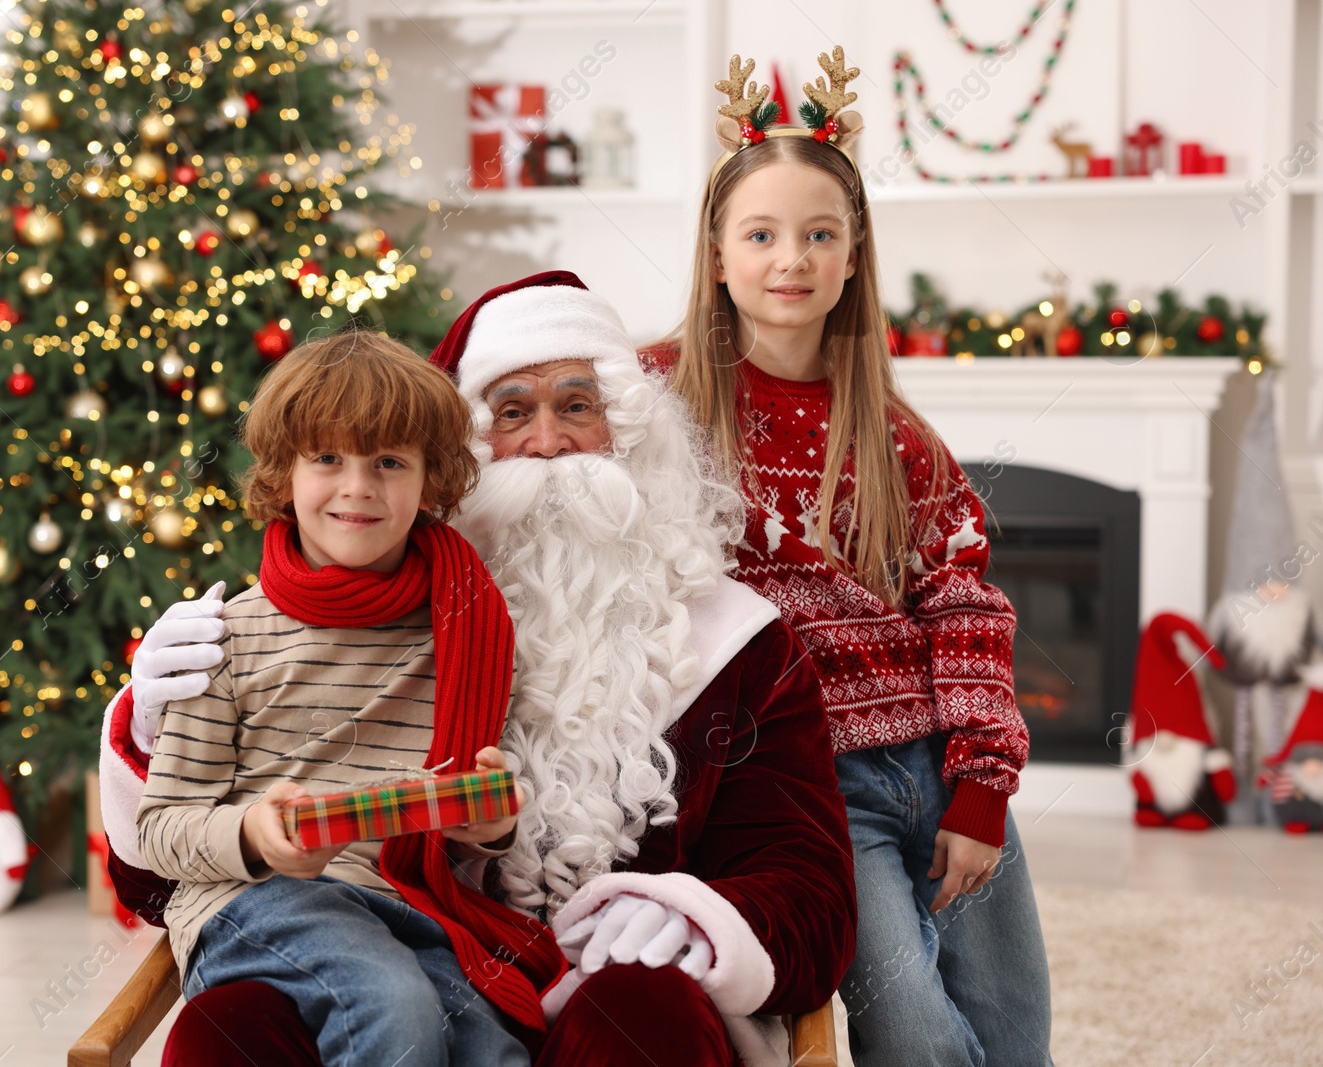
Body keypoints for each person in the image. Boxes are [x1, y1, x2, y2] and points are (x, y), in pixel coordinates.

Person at [102, 272, 856, 1066]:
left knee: (639, 1013)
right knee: (233, 1026)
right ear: (463, 452)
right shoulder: (380, 610)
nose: (547, 442)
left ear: (630, 430)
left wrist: (700, 918)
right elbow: (159, 875)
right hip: (410, 955)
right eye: (511, 412)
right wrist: (147, 718)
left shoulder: (740, 644)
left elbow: (809, 886)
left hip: (598, 993)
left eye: (577, 405)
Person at [644, 50, 1052, 1066]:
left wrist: (981, 787)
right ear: (718, 251)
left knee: (1011, 1027)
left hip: (936, 758)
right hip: (806, 782)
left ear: (852, 254)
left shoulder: (894, 431)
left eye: (820, 234)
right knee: (910, 1031)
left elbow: (964, 602)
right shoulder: (657, 403)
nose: (792, 257)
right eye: (763, 233)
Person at [134, 330, 562, 1067]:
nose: (358, 486)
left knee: (493, 1049)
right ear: (284, 473)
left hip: (410, 905)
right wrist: (254, 834)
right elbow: (161, 825)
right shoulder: (228, 634)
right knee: (389, 1009)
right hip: (255, 901)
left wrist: (490, 823)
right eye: (327, 458)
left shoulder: (469, 624)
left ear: (431, 480)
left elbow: (476, 813)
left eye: (388, 461)